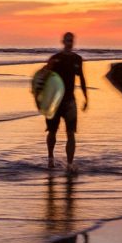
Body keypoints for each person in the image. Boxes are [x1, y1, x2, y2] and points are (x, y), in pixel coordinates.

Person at [44, 32, 88, 172]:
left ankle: (69, 164)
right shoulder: (56, 59)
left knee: (71, 133)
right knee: (52, 131)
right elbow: (43, 76)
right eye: (67, 40)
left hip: (70, 101)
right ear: (63, 41)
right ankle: (50, 158)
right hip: (54, 101)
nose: (69, 42)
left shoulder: (77, 59)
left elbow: (81, 78)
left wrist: (86, 98)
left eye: (71, 40)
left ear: (73, 42)